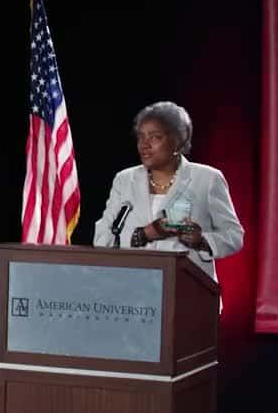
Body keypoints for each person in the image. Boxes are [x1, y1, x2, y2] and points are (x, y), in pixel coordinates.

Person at [93, 101, 243, 284]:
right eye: (141, 137)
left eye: (154, 137)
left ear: (178, 140)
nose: (144, 145)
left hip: (188, 291)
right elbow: (102, 238)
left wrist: (201, 241)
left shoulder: (207, 179)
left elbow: (234, 235)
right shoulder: (124, 180)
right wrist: (145, 234)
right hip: (133, 290)